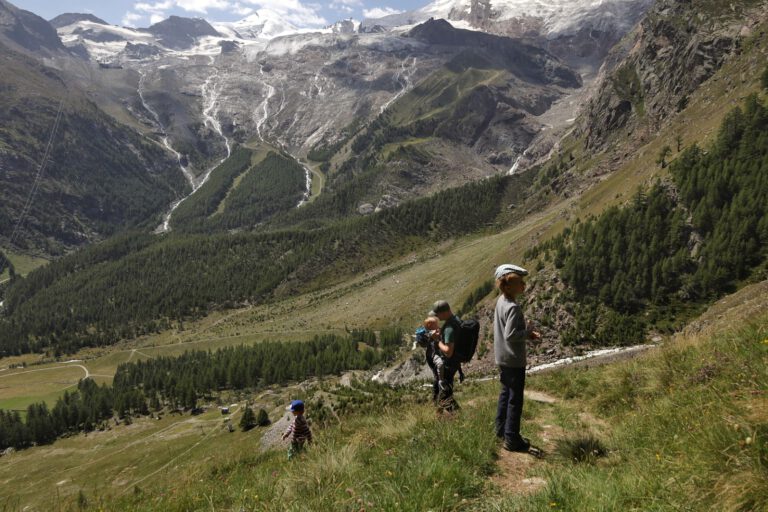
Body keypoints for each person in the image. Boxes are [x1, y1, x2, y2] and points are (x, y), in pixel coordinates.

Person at [493, 264, 541, 452]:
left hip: (502, 357)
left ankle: (500, 430)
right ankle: (512, 438)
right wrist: (528, 333)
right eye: (520, 282)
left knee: (505, 394)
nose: (524, 285)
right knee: (515, 399)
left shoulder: (500, 301)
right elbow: (511, 335)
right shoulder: (513, 307)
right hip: (513, 359)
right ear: (508, 286)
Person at [431, 300, 462, 412]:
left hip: (448, 365)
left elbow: (448, 352)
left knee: (443, 397)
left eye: (437, 314)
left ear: (444, 313)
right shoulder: (457, 320)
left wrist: (437, 340)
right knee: (446, 394)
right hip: (455, 362)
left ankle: (453, 418)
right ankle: (457, 416)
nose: (437, 317)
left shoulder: (449, 328)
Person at [415, 315, 442, 403]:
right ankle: (436, 400)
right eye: (435, 324)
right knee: (437, 378)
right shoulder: (431, 333)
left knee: (437, 377)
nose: (438, 325)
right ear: (430, 325)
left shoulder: (431, 332)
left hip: (431, 356)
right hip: (432, 357)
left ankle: (436, 400)